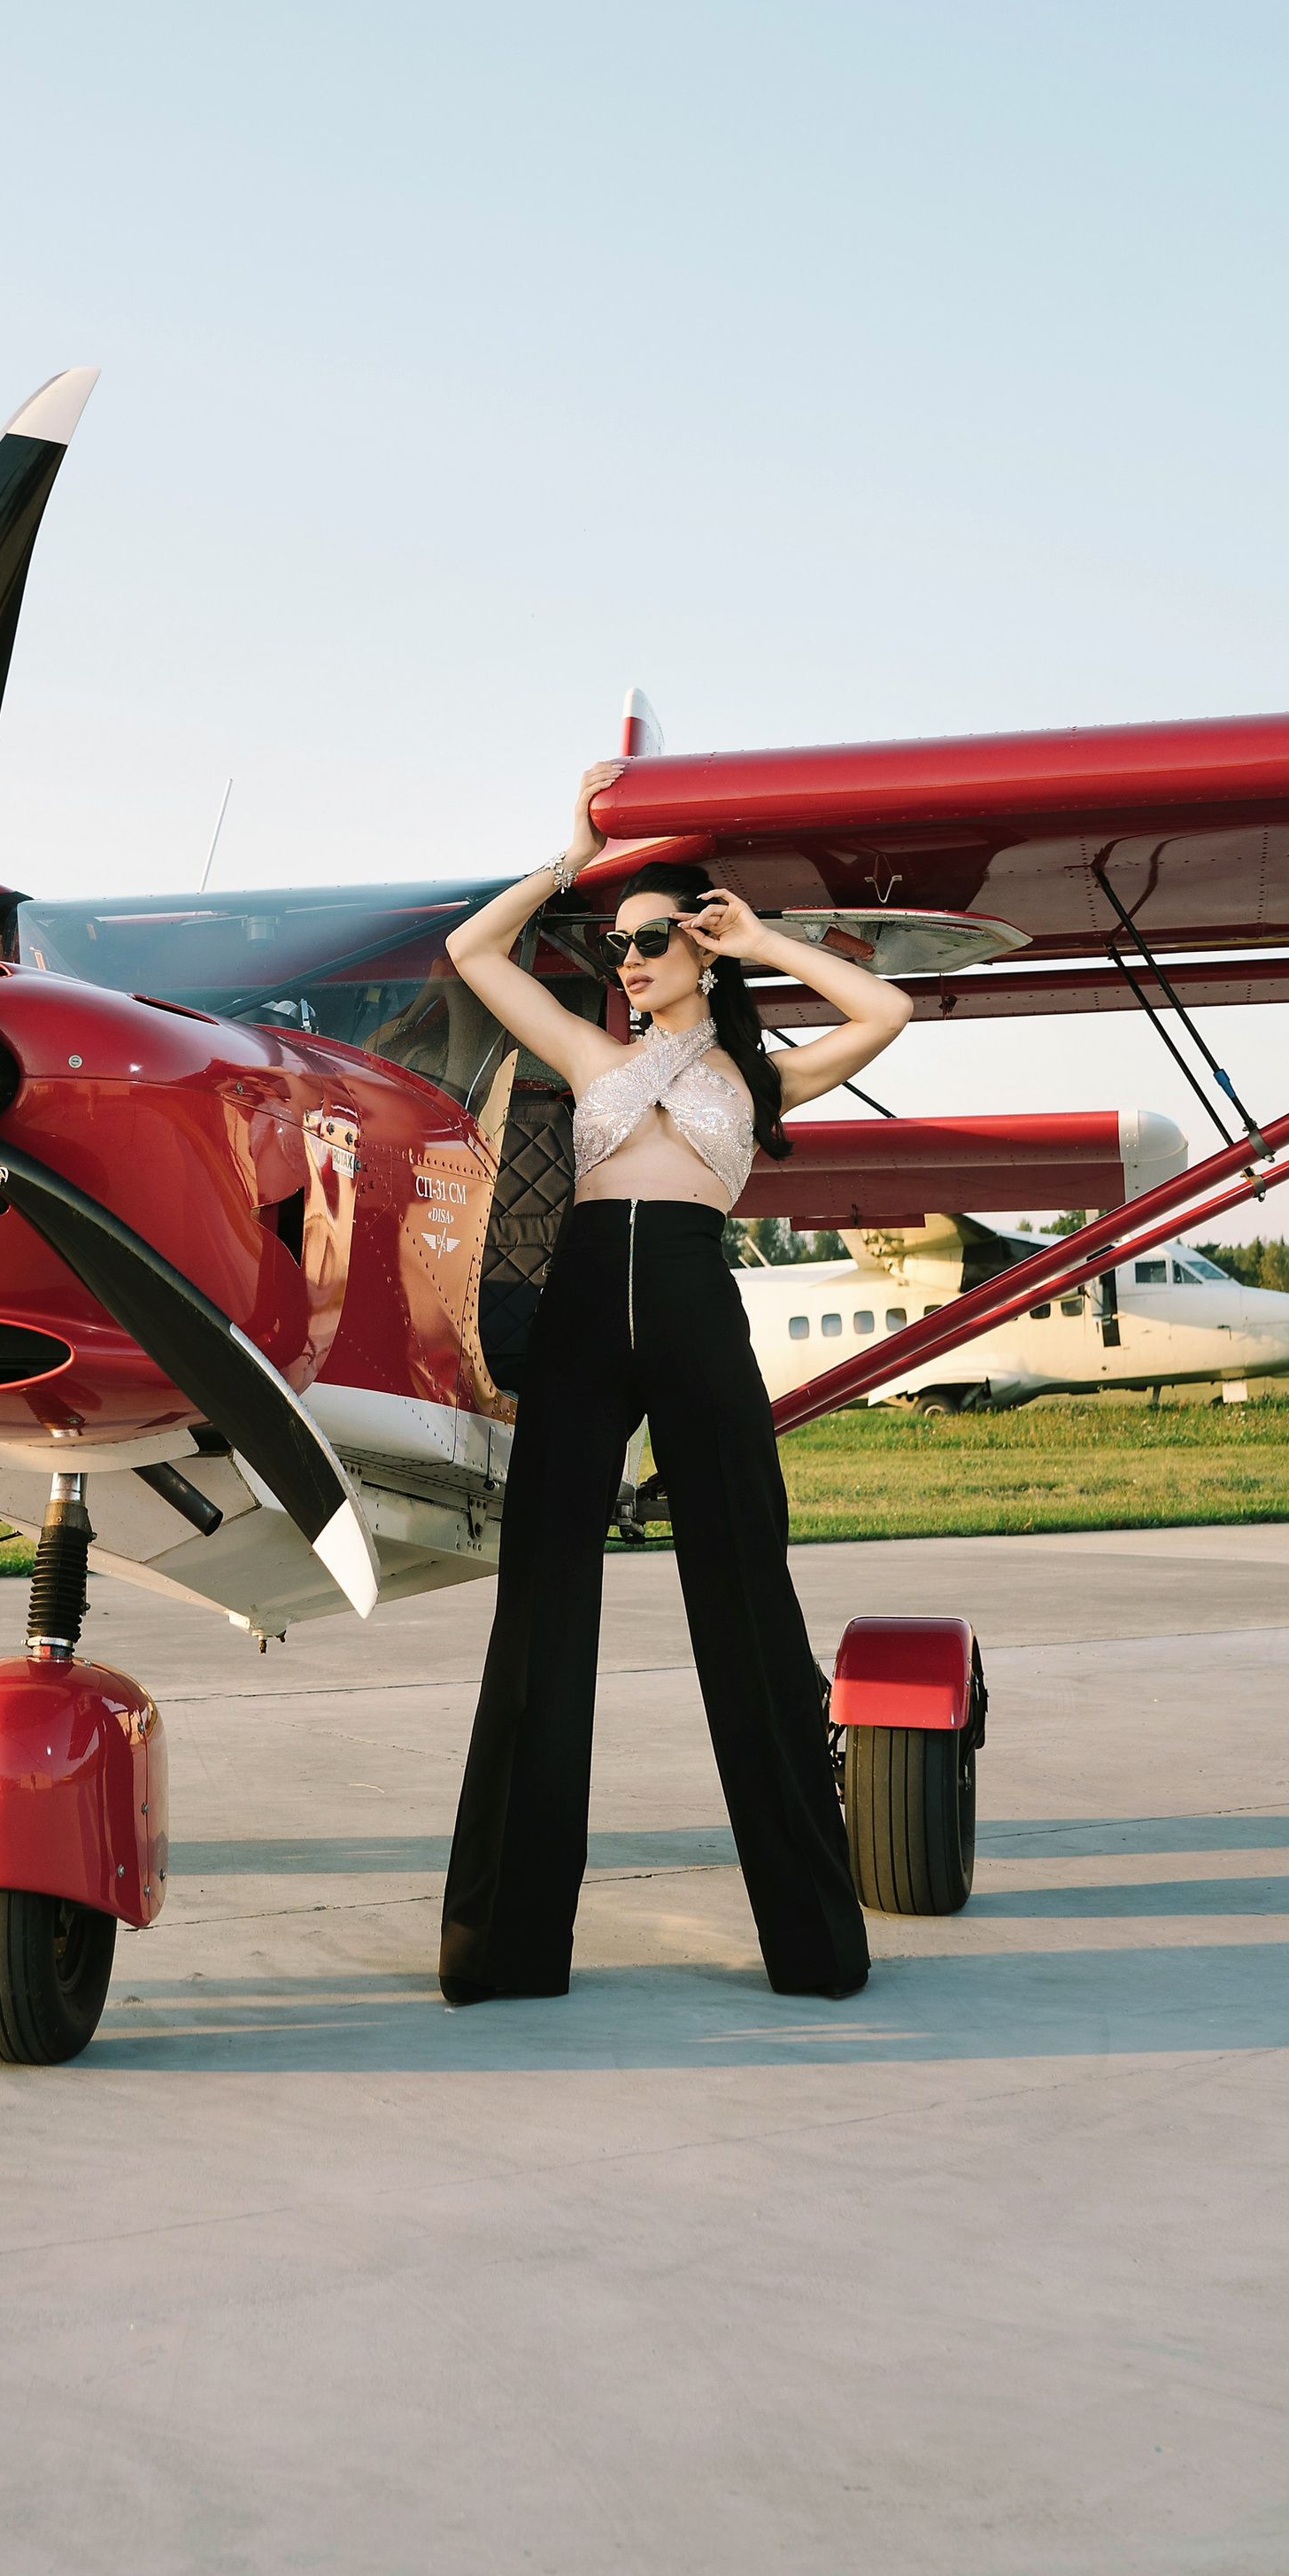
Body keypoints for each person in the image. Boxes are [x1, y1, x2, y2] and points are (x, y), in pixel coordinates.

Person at [438, 762, 912, 2007]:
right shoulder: (592, 1051)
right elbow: (475, 949)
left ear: (700, 950)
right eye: (619, 941)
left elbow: (885, 1010)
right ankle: (506, 1950)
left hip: (698, 1308)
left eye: (655, 940)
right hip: (583, 1308)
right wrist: (572, 854)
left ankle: (813, 1945)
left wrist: (764, 937)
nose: (631, 957)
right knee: (541, 1608)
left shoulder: (760, 1079)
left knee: (749, 1601)